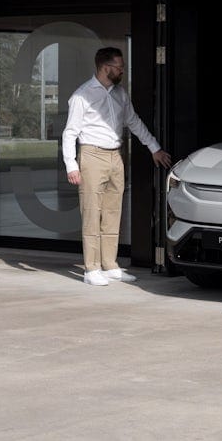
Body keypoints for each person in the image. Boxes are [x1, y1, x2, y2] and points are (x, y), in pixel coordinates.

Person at [63, 47, 173, 286]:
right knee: (92, 213)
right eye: (119, 67)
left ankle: (110, 264)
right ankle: (91, 268)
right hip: (91, 156)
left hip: (116, 156)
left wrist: (154, 148)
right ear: (105, 67)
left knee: (113, 212)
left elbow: (133, 121)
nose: (123, 70)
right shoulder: (82, 96)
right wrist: (71, 165)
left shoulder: (120, 94)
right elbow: (70, 132)